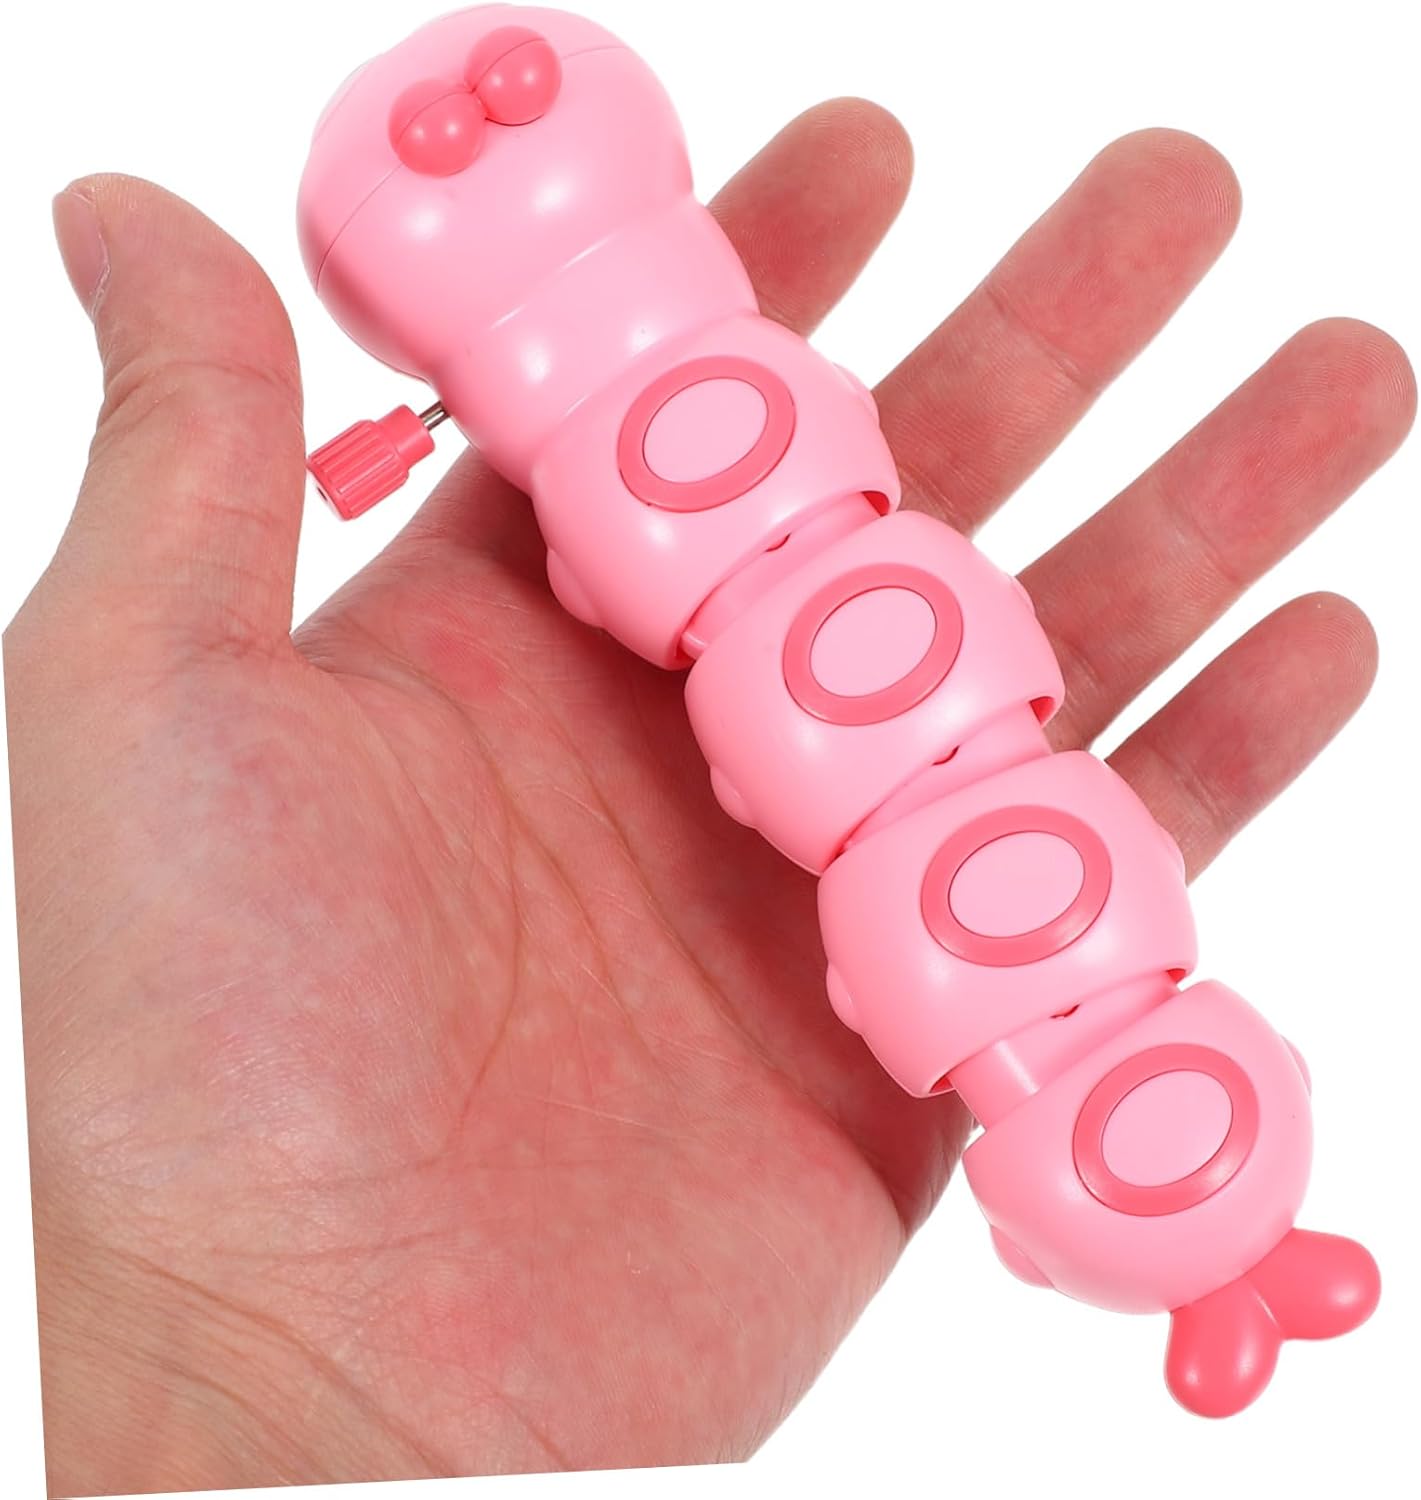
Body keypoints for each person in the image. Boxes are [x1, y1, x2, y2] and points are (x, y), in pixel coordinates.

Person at [7, 101, 1414, 1494]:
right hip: (763, 608)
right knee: (798, 615)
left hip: (720, 575)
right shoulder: (1011, 946)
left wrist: (252, 1394)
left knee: (780, 609)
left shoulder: (1026, 922)